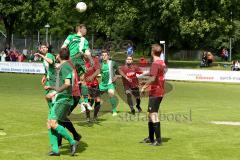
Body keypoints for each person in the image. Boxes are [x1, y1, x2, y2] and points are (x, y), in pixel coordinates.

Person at [45, 48, 78, 156]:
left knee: (53, 123)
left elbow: (67, 84)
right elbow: (62, 84)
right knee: (49, 124)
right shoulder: (65, 67)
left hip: (64, 99)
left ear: (59, 56)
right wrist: (51, 87)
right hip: (61, 98)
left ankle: (72, 142)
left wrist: (54, 92)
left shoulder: (65, 67)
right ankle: (55, 150)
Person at [140, 44, 166, 146]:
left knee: (153, 114)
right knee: (150, 114)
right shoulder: (161, 62)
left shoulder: (155, 63)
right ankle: (151, 138)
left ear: (152, 52)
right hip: (158, 90)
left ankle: (158, 141)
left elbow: (153, 78)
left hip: (156, 91)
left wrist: (144, 87)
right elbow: (155, 76)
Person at [99, 50, 119, 116]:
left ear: (108, 56)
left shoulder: (112, 63)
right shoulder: (100, 64)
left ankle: (114, 111)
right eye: (103, 55)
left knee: (111, 94)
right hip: (102, 84)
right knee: (95, 96)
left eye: (105, 55)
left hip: (110, 83)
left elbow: (119, 72)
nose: (104, 56)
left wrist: (116, 77)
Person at [83, 51, 101, 122]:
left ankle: (95, 116)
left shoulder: (94, 60)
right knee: (88, 101)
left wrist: (92, 76)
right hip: (85, 84)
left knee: (97, 100)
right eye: (86, 53)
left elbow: (98, 70)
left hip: (94, 84)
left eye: (89, 53)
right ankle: (88, 118)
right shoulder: (81, 62)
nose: (87, 54)